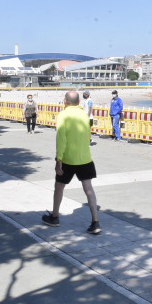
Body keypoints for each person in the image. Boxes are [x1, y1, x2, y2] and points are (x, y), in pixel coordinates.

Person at [42, 91, 101, 235]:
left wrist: (59, 159)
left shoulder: (63, 115)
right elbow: (88, 136)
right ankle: (95, 221)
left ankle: (54, 217)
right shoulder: (84, 115)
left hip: (68, 158)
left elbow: (61, 138)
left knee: (59, 187)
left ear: (65, 101)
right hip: (85, 158)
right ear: (79, 101)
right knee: (88, 189)